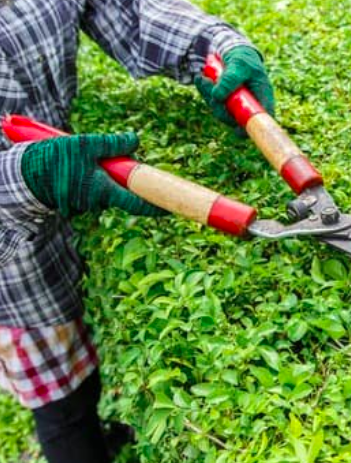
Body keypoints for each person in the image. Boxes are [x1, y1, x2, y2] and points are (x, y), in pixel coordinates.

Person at [0, 1, 275, 461]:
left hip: (79, 215)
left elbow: (127, 9)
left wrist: (213, 46)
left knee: (99, 348)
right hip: (16, 275)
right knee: (64, 405)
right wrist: (24, 178)